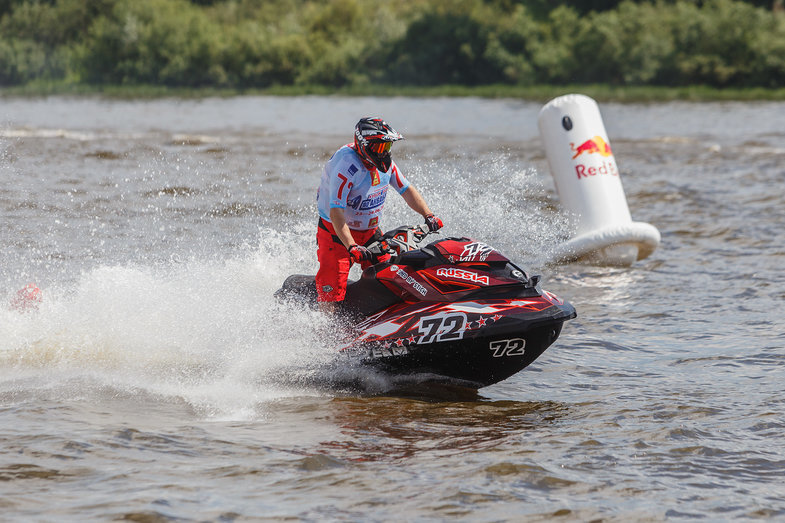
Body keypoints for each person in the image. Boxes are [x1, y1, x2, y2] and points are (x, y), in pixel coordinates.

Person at [315, 116, 443, 313]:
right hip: (337, 234)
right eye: (380, 147)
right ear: (365, 145)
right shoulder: (346, 167)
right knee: (332, 290)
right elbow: (336, 212)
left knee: (390, 278)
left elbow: (406, 189)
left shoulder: (387, 165)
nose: (385, 153)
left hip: (370, 232)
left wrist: (429, 215)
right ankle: (326, 333)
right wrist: (351, 246)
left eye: (388, 147)